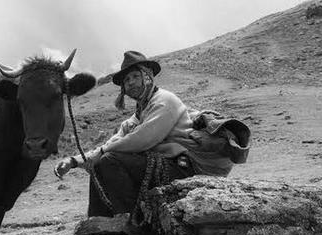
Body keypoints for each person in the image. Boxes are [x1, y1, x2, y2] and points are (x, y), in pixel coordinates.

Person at [55, 50, 249, 218]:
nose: (130, 83)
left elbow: (141, 140)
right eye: (126, 81)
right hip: (164, 166)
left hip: (184, 169)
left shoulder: (165, 101)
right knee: (102, 162)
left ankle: (130, 222)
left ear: (147, 76)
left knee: (109, 160)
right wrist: (74, 161)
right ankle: (98, 223)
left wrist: (104, 151)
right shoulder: (137, 115)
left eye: (134, 77)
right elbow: (115, 141)